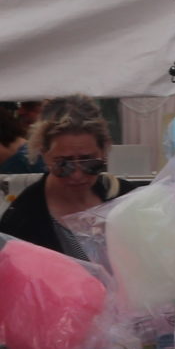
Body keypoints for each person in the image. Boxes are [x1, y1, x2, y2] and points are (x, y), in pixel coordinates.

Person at [0, 96, 130, 256]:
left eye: (89, 163)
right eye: (63, 164)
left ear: (104, 151)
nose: (77, 175)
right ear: (44, 155)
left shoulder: (126, 198)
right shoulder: (22, 218)